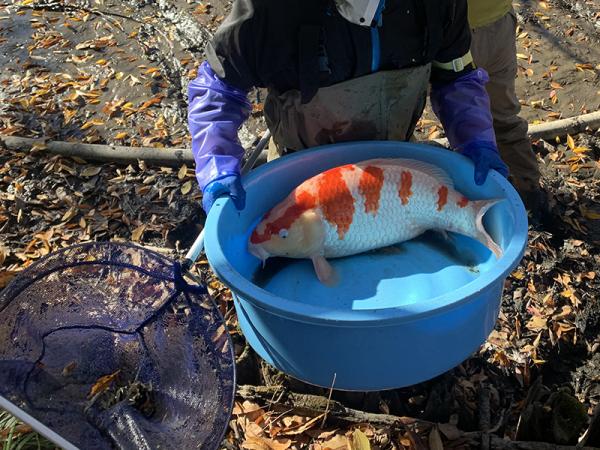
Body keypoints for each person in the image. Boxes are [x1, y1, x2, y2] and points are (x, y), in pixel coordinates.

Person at [188, 0, 510, 214]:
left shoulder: (435, 4)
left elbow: (455, 76)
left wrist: (476, 141)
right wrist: (216, 166)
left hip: (396, 172)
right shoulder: (273, 10)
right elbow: (219, 89)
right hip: (298, 181)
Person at [467, 0, 547, 220]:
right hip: (496, 25)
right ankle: (529, 190)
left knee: (403, 123)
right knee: (503, 118)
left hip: (445, 27)